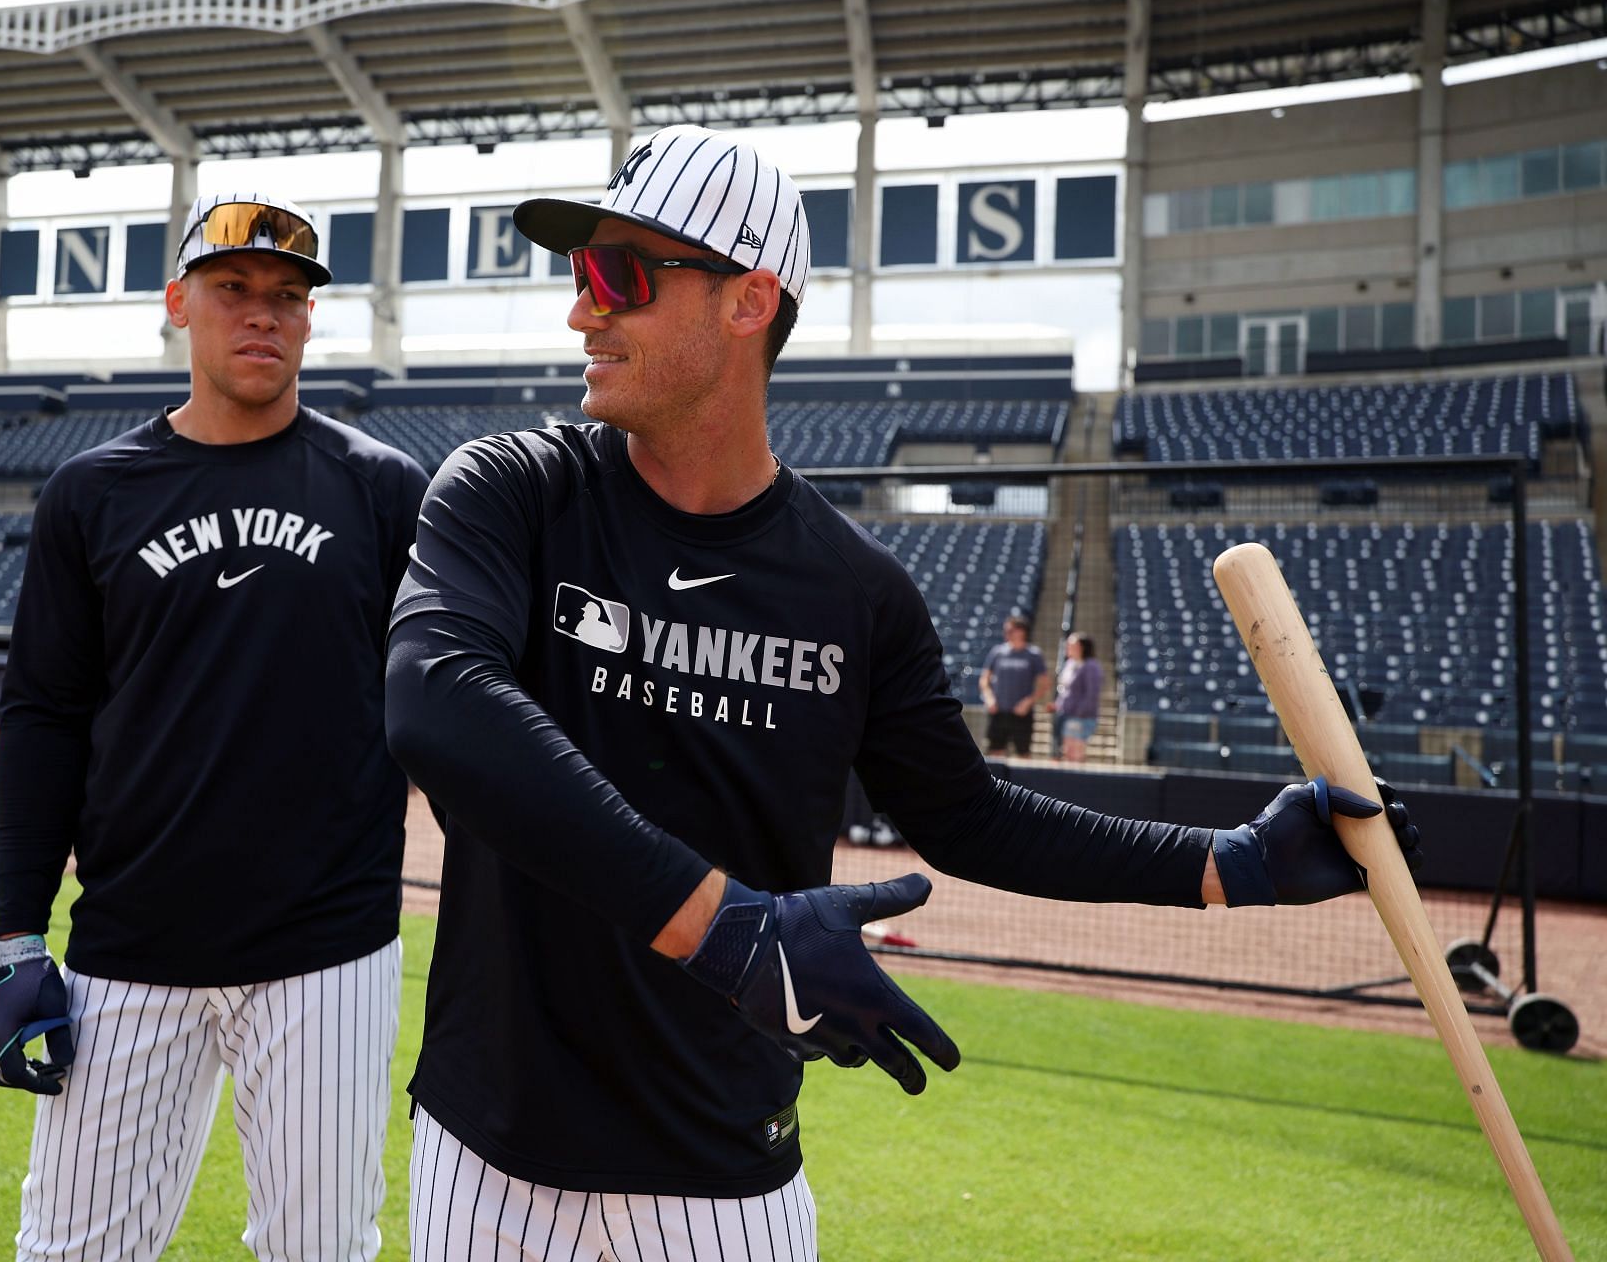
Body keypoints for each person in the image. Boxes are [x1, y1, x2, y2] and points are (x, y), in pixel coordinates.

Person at [382, 124, 1419, 1260]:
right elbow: (440, 699)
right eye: (581, 275)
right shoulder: (511, 489)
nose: (584, 311)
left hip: (724, 1179)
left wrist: (1232, 865)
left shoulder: (855, 587)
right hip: (488, 1158)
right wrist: (729, 931)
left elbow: (968, 816)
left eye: (621, 274)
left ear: (748, 300)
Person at [0, 191, 429, 1262]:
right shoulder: (91, 493)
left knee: (320, 1248)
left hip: (327, 949)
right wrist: (14, 933)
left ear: (312, 321)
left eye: (287, 296)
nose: (262, 313)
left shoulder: (381, 490)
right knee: (72, 1248)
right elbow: (45, 713)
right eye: (233, 289)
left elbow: (440, 712)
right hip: (131, 944)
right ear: (179, 303)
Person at [980, 614, 1050, 757]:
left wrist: (1028, 702)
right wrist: (989, 698)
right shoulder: (997, 652)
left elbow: (1045, 684)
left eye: (1011, 630)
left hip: (1021, 714)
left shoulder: (1033, 654)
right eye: (1006, 630)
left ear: (1022, 631)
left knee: (1023, 754)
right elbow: (984, 679)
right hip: (998, 712)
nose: (1007, 634)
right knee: (995, 753)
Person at [1051, 632, 1103, 764]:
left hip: (1080, 717)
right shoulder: (1069, 664)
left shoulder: (1091, 666)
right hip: (1065, 714)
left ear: (1082, 647)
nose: (1068, 647)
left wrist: (1079, 713)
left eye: (1071, 645)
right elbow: (1064, 690)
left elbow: (1092, 694)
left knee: (1074, 753)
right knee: (1067, 752)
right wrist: (1058, 704)